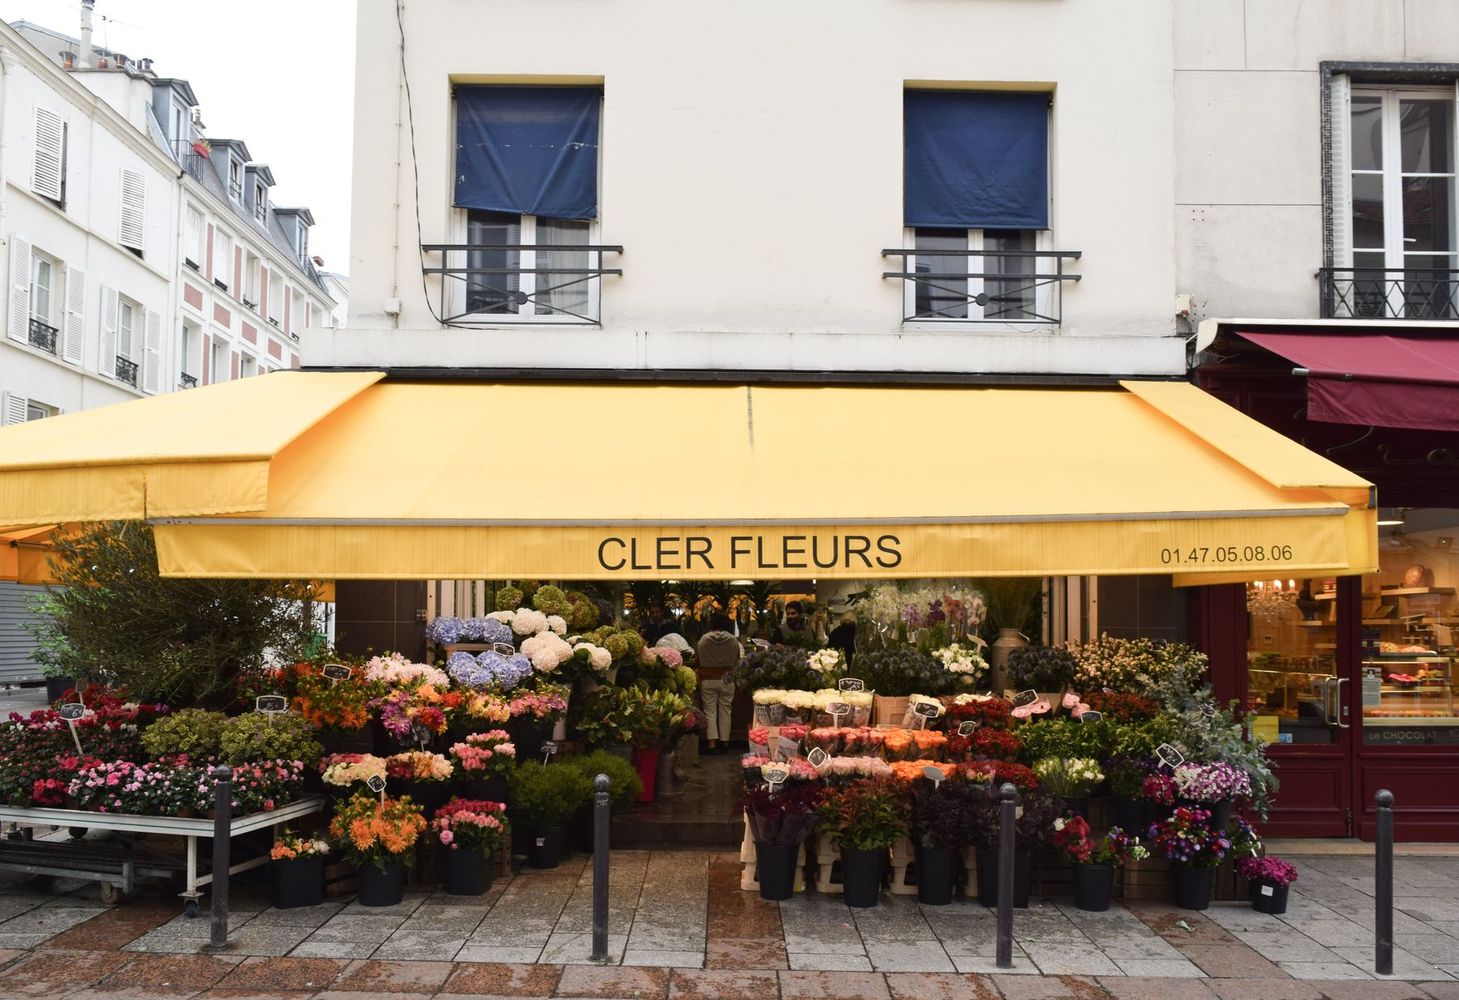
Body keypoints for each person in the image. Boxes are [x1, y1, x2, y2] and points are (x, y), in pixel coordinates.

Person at [695, 613, 741, 754]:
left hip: (708, 679)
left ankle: (712, 744)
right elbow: (738, 659)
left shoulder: (704, 639)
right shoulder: (733, 640)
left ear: (711, 624)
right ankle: (725, 742)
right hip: (727, 679)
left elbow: (697, 660)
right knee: (726, 710)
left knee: (710, 711)